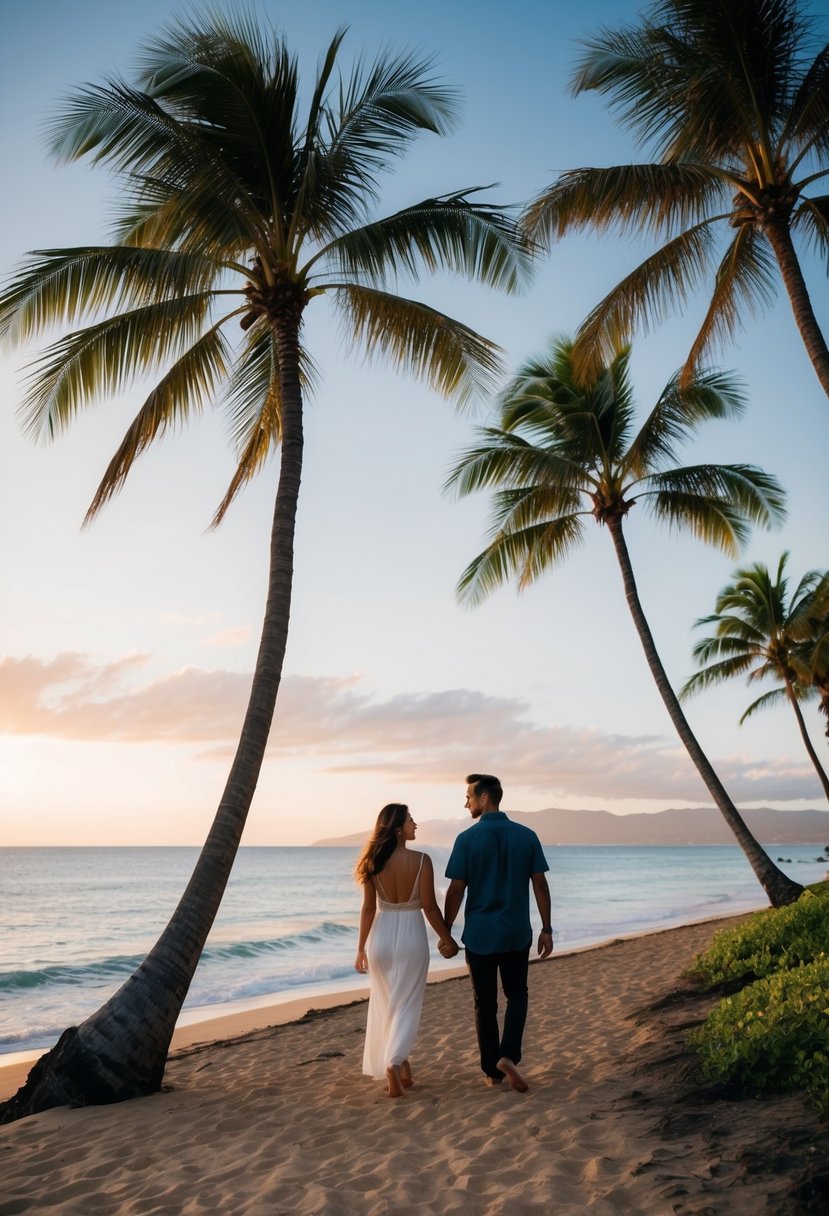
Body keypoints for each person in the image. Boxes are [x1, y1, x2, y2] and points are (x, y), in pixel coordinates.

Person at [444, 773, 553, 1092]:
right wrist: (546, 928)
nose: (466, 803)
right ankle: (509, 1056)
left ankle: (492, 1071)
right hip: (516, 932)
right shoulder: (527, 835)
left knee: (485, 1003)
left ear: (484, 799)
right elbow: (540, 884)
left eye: (469, 797)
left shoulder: (466, 839)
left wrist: (447, 931)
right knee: (517, 995)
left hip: (480, 935)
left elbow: (455, 891)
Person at [354, 803, 459, 1097]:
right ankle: (393, 1062)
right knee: (407, 1004)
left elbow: (367, 909)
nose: (416, 825)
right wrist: (447, 938)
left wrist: (361, 948)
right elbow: (429, 906)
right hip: (411, 936)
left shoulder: (371, 863)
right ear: (399, 828)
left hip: (381, 939)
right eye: (412, 820)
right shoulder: (422, 860)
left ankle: (401, 1066)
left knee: (388, 1002)